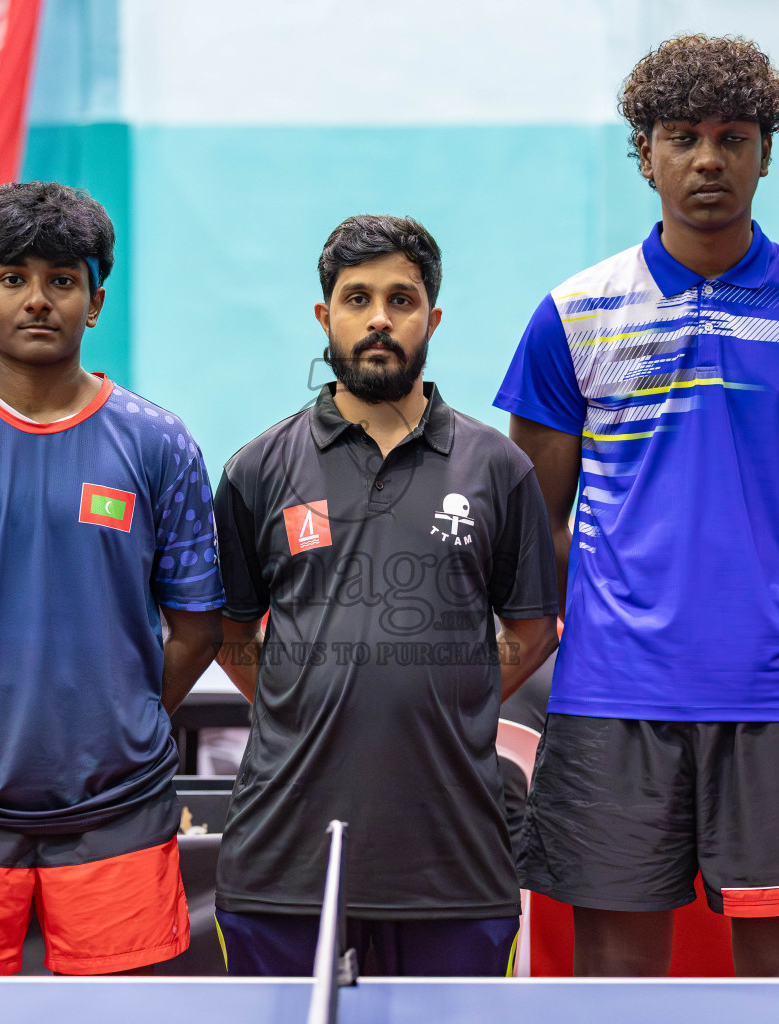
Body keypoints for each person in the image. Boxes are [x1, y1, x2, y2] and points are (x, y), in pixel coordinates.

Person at [496, 34, 779, 977]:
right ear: (644, 153)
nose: (708, 160)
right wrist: (616, 619)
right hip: (614, 700)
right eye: (682, 136)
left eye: (733, 136)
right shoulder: (576, 313)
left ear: (766, 151)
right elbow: (534, 521)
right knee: (618, 982)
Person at [0, 181, 224, 976]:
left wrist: (126, 720)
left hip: (117, 804)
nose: (38, 299)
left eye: (63, 280)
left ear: (94, 302)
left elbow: (198, 627)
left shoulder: (160, 444)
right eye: (13, 277)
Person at [212, 215, 561, 977]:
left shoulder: (498, 470)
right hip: (284, 860)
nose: (378, 318)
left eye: (401, 299)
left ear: (431, 318)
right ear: (324, 315)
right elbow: (231, 634)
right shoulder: (256, 469)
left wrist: (450, 689)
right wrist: (299, 693)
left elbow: (532, 631)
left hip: (455, 863)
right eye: (356, 297)